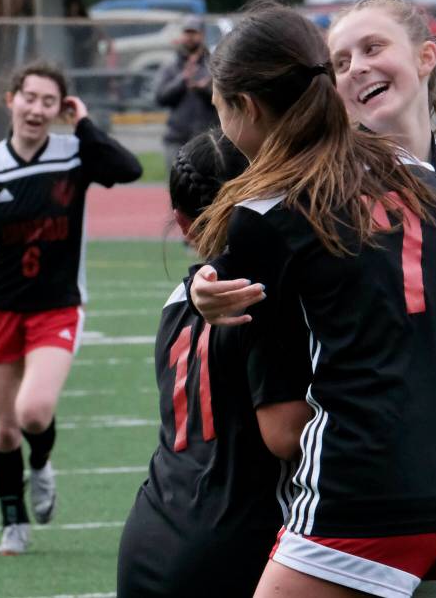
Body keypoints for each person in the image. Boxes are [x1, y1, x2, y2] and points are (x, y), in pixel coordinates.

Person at [191, 0, 436, 598]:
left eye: (219, 110)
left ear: (248, 108)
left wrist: (201, 291)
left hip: (368, 488)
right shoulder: (425, 178)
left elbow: (266, 379)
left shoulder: (266, 209)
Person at [193, 0, 436, 368]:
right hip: (368, 406)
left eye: (373, 48)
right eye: (341, 63)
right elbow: (248, 249)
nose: (358, 68)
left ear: (425, 57)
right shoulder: (321, 178)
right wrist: (202, 284)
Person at [0, 61, 143, 555]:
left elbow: (127, 169)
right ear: (11, 100)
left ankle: (42, 465)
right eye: (30, 98)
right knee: (3, 431)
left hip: (58, 305)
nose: (37, 109)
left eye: (50, 101)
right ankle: (13, 519)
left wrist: (84, 123)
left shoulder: (74, 154)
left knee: (33, 409)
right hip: (0, 307)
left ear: (59, 108)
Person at [117, 131, 311, 597]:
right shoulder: (259, 295)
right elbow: (284, 435)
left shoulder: (178, 300)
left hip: (150, 532)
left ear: (182, 224)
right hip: (230, 545)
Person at [154, 15, 219, 171]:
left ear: (202, 35)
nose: (190, 37)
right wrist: (183, 80)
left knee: (208, 189)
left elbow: (226, 99)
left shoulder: (215, 64)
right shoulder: (171, 67)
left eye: (194, 32)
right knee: (176, 188)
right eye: (187, 32)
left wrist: (203, 90)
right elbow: (160, 97)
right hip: (177, 138)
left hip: (206, 140)